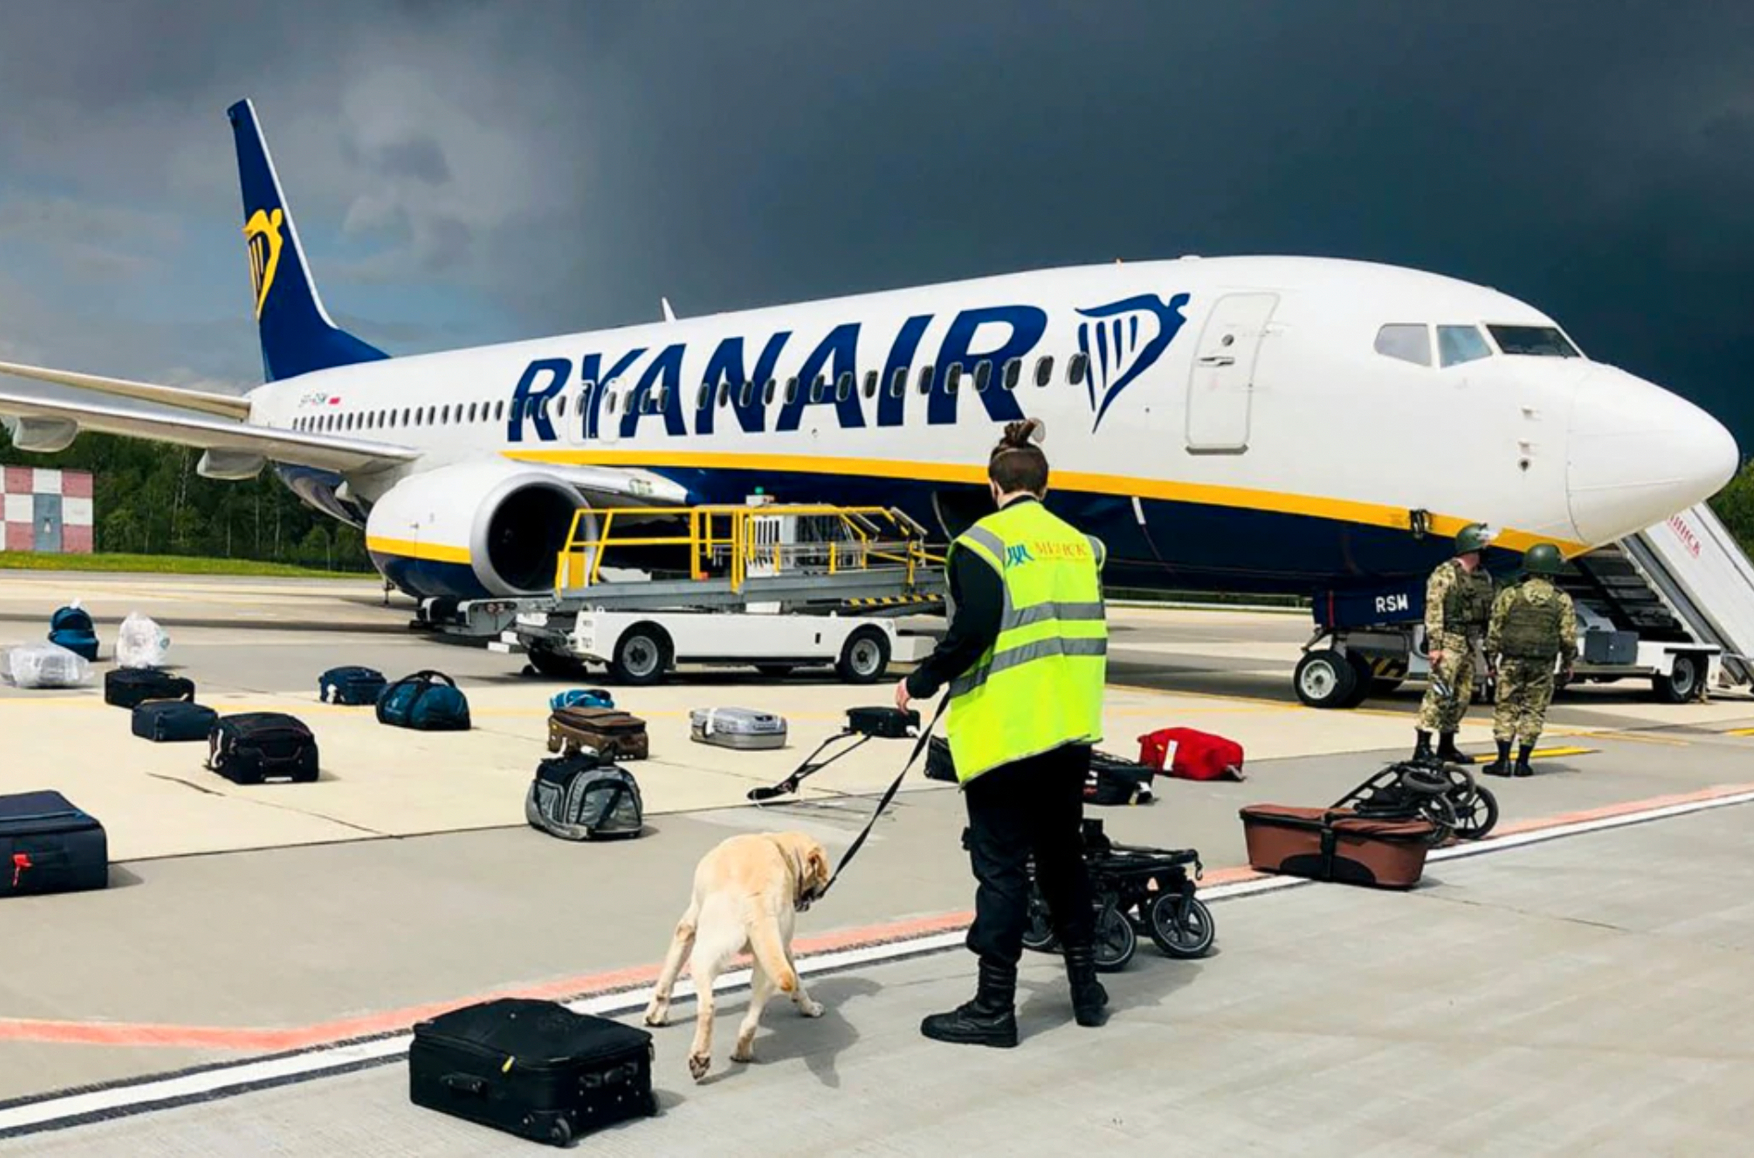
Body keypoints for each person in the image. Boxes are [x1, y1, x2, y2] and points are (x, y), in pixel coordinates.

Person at [895, 417, 1109, 1048]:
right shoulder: (1082, 547)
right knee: (1063, 859)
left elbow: (974, 629)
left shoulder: (981, 544)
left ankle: (994, 1007)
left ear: (994, 487)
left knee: (1002, 870)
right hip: (1069, 730)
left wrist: (921, 680)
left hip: (1007, 735)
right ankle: (1087, 990)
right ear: (1045, 486)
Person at [1483, 542, 1577, 777]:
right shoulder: (1561, 599)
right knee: (1534, 710)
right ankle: (1523, 762)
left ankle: (1502, 760)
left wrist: (1491, 660)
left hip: (1511, 661)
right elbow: (1567, 637)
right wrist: (1568, 663)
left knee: (1506, 707)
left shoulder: (1510, 594)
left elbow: (1494, 630)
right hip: (1542, 664)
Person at [1415, 523, 1496, 764]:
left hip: (1469, 642)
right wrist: (1435, 646)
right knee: (1439, 693)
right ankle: (1422, 747)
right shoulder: (1445, 573)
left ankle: (1446, 745)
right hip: (1449, 642)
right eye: (1482, 544)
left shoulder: (1483, 576)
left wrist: (1489, 652)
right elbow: (1434, 610)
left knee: (1461, 697)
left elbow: (1487, 613)